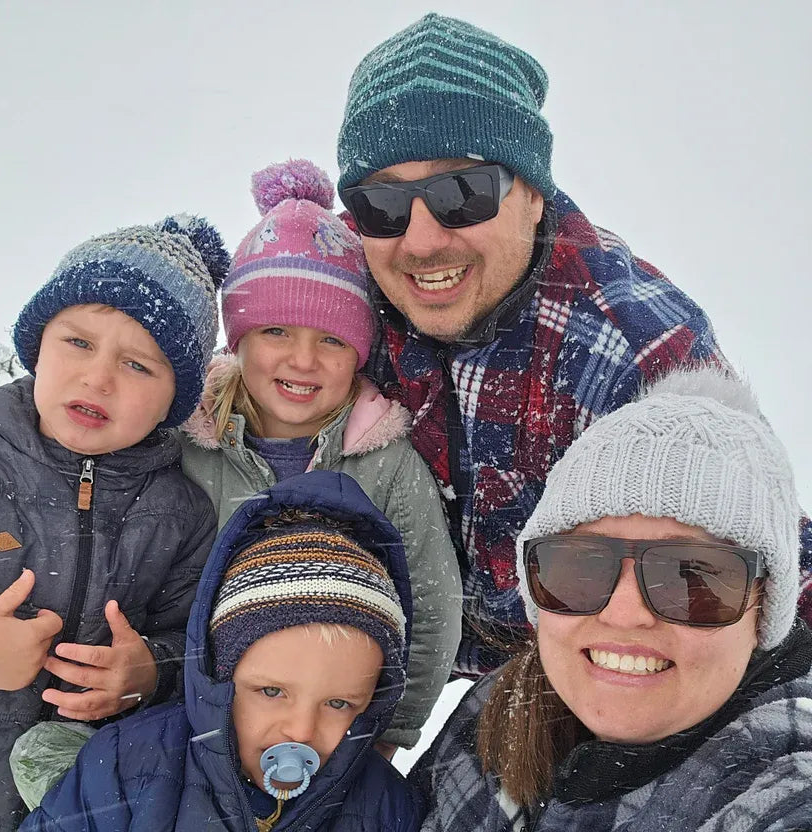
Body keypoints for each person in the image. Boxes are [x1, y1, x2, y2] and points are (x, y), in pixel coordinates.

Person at [335, 12, 812, 676]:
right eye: (381, 204)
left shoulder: (635, 349)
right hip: (382, 640)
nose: (418, 241)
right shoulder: (331, 289)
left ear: (532, 192)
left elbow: (765, 588)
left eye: (462, 193)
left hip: (583, 665)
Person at [411, 367, 812, 831]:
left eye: (691, 577)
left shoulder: (782, 782)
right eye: (581, 566)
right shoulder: (500, 704)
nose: (624, 614)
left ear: (764, 608)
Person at [178, 159, 461, 752]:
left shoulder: (381, 459)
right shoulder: (188, 441)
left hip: (331, 735)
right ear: (240, 339)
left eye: (331, 339)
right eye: (276, 331)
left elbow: (432, 605)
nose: (303, 361)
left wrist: (392, 731)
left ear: (360, 352)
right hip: (191, 722)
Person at [0, 215, 227, 830]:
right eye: (78, 342)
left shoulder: (183, 513)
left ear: (177, 397)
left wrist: (148, 674)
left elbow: (197, 646)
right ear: (37, 343)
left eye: (139, 365)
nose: (99, 377)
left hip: (77, 803)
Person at [21, 471, 424, 832]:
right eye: (271, 692)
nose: (301, 731)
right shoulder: (124, 766)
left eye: (338, 703)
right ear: (219, 671)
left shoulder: (387, 807)